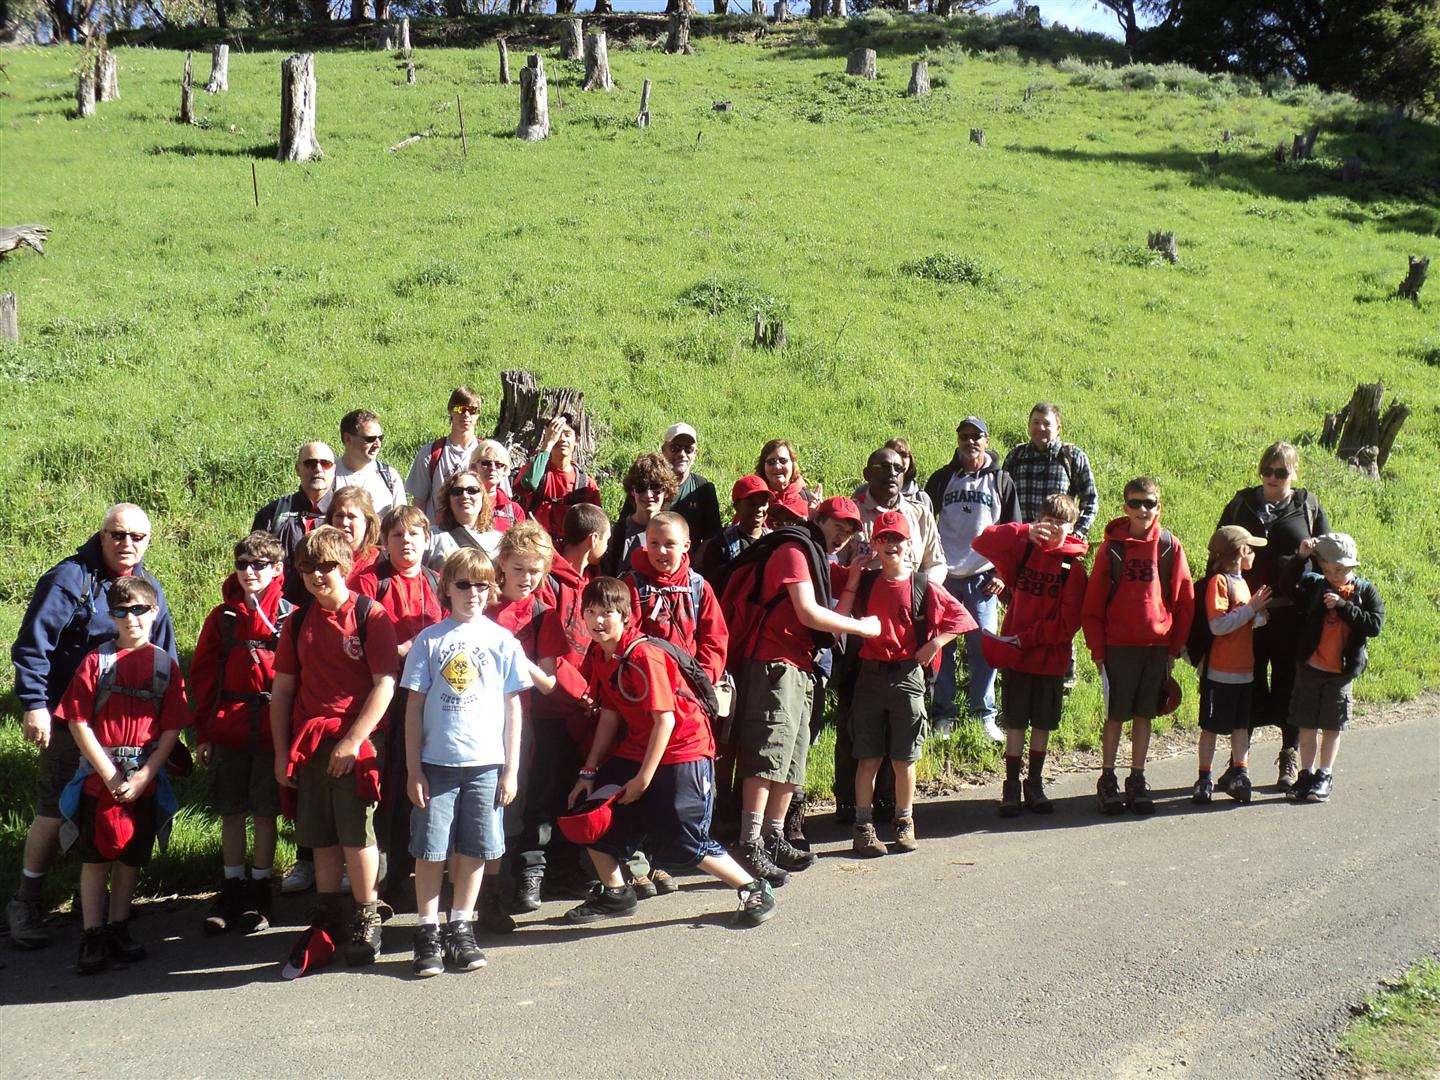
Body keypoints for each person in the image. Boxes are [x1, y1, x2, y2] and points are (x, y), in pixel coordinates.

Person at [7, 503, 177, 951]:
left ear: (148, 541)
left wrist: (165, 731)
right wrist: (35, 705)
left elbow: (167, 657)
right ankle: (26, 901)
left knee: (123, 810)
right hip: (71, 724)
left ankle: (99, 911)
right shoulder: (69, 580)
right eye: (117, 534)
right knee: (55, 810)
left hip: (131, 734)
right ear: (101, 536)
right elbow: (33, 645)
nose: (127, 543)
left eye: (137, 536)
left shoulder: (149, 589)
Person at [561, 578, 776, 928]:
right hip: (639, 749)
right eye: (591, 612)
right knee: (590, 815)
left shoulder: (644, 655)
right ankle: (615, 894)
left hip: (683, 749)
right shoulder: (601, 654)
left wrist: (643, 780)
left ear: (626, 617)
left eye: (607, 613)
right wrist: (589, 771)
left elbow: (666, 720)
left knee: (684, 840)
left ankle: (753, 887)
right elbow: (611, 714)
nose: (598, 620)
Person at [721, 495, 881, 886]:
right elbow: (810, 612)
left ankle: (773, 838)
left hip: (800, 666)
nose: (841, 537)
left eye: (849, 532)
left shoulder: (819, 561)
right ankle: (749, 843)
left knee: (791, 759)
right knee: (767, 754)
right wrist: (864, 627)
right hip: (772, 665)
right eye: (837, 527)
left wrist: (853, 578)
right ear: (818, 519)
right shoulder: (793, 551)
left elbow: (830, 630)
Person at [270, 526, 399, 968]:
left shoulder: (370, 615)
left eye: (326, 565)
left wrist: (353, 741)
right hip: (310, 744)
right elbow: (282, 690)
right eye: (308, 567)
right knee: (320, 834)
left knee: (357, 834)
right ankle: (327, 914)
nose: (317, 575)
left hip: (357, 743)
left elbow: (385, 684)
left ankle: (367, 915)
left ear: (345, 566)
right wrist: (281, 752)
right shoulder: (296, 622)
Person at [401, 549, 530, 976]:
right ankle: (427, 930)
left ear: (491, 589)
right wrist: (414, 769)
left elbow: (513, 709)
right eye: (462, 584)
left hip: (486, 764)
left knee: (476, 848)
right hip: (436, 764)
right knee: (431, 850)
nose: (472, 593)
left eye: (481, 585)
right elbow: (413, 708)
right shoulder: (429, 640)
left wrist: (510, 769)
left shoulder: (502, 641)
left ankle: (461, 926)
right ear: (446, 588)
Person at [53, 577, 189, 975]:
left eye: (139, 610)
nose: (131, 619)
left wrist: (147, 774)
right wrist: (109, 773)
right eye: (121, 611)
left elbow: (172, 727)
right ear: (110, 616)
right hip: (99, 778)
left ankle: (119, 926)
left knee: (131, 859)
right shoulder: (96, 662)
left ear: (155, 612)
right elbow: (77, 721)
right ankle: (92, 933)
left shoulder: (165, 665)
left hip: (144, 779)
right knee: (95, 859)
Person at [835, 511, 972, 857]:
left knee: (904, 759)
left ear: (909, 544)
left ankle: (904, 821)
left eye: (897, 538)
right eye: (884, 538)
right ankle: (863, 827)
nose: (891, 544)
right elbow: (840, 611)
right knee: (868, 757)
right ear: (874, 544)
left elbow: (962, 618)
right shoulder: (867, 582)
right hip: (870, 676)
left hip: (908, 677)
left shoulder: (923, 585)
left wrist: (935, 643)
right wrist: (854, 575)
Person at [191, 531, 294, 936]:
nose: (249, 572)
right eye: (242, 564)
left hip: (272, 731)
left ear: (277, 568)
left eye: (259, 565)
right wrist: (204, 732)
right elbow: (203, 677)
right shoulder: (224, 617)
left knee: (266, 813)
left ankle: (260, 890)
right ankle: (231, 888)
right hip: (229, 728)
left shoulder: (289, 616)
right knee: (231, 812)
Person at [1217, 441, 1330, 790]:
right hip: (1247, 612)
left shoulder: (1307, 506)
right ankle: (1239, 762)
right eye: (1267, 470)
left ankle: (1289, 756)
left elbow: (1327, 559)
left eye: (1280, 472)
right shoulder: (1241, 503)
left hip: (1292, 615)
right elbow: (1219, 547)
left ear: (1294, 473)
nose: (1272, 477)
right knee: (1247, 685)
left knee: (1289, 685)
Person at [514, 505, 610, 911]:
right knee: (541, 793)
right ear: (593, 540)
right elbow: (549, 651)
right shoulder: (548, 582)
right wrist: (582, 691)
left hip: (579, 711)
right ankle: (530, 873)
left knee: (570, 792)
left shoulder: (587, 582)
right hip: (548, 706)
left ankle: (564, 868)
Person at [1081, 477, 1195, 815]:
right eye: (1135, 503)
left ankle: (1137, 778)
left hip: (1157, 646)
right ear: (1125, 507)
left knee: (1145, 714)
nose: (1142, 509)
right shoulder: (1112, 549)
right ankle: (1107, 779)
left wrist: (1173, 650)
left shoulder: (1169, 546)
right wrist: (1097, 652)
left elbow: (1184, 602)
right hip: (1118, 646)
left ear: (1159, 507)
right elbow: (1092, 606)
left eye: (1149, 503)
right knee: (1115, 715)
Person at [971, 494, 1089, 817]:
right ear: (1038, 520)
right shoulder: (1023, 550)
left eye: (1061, 523)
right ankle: (1011, 785)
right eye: (1047, 521)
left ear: (1072, 527)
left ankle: (1034, 783)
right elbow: (982, 542)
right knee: (1015, 722)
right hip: (1017, 658)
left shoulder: (1073, 568)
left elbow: (1067, 623)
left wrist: (1026, 639)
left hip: (1049, 660)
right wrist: (1023, 530)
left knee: (1042, 723)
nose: (1053, 528)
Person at [355, 506, 446, 908]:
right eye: (397, 535)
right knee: (387, 787)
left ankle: (414, 873)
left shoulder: (438, 581)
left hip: (430, 698)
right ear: (384, 542)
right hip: (385, 696)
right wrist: (399, 650)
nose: (406, 542)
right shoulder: (370, 582)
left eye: (414, 535)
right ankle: (381, 882)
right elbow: (355, 642)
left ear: (427, 540)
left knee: (422, 781)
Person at [925, 416, 1022, 740]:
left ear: (986, 441)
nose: (970, 442)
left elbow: (1014, 533)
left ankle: (984, 715)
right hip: (945, 575)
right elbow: (924, 523)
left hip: (983, 577)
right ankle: (943, 715)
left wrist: (1002, 574)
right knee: (945, 648)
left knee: (984, 647)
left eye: (976, 436)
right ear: (958, 441)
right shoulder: (943, 478)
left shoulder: (1001, 480)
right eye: (964, 436)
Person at [1282, 534, 1384, 803]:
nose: (1333, 576)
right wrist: (1301, 557)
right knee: (1306, 724)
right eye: (1327, 570)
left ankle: (1324, 775)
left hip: (1340, 673)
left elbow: (1374, 625)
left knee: (1331, 725)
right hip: (1310, 667)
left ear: (1351, 566)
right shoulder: (1316, 585)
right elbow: (1287, 586)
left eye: (1339, 570)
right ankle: (1306, 774)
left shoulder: (1365, 591)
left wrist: (1343, 607)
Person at [1192, 526, 1272, 805]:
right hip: (1220, 672)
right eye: (1251, 549)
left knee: (1241, 726)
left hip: (1244, 671)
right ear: (1240, 551)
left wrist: (1260, 615)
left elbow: (1243, 622)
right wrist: (1251, 608)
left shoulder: (1243, 582)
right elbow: (1218, 625)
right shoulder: (1220, 582)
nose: (1254, 555)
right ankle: (1204, 779)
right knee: (1210, 727)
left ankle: (1241, 775)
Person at [845, 445, 947, 582]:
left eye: (898, 468)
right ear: (867, 474)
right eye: (884, 467)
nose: (893, 473)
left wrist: (921, 589)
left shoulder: (920, 514)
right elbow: (835, 561)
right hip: (861, 592)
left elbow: (936, 564)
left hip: (908, 593)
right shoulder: (852, 514)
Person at [1001, 403, 1099, 540]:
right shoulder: (1016, 456)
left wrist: (1076, 533)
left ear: (1058, 428)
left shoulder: (1072, 456)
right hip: (1022, 541)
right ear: (1029, 425)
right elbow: (1002, 499)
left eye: (1047, 424)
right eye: (1036, 422)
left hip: (1058, 543)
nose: (1040, 428)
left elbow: (1090, 500)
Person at [621, 424, 723, 549]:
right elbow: (624, 529)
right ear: (664, 450)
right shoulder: (643, 485)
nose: (682, 454)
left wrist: (695, 559)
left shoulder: (703, 488)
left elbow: (712, 537)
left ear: (696, 452)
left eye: (688, 449)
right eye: (675, 448)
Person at [516, 414, 600, 541]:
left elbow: (596, 526)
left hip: (569, 548)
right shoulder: (534, 470)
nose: (562, 439)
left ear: (577, 440)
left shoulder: (586, 484)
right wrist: (548, 444)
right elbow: (530, 483)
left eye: (567, 434)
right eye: (557, 434)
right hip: (534, 544)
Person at [406, 386, 483, 523]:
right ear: (450, 410)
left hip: (476, 531)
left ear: (478, 415)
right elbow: (419, 502)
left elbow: (497, 497)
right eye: (460, 409)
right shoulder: (430, 453)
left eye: (472, 410)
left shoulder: (487, 455)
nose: (466, 415)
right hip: (439, 532)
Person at [602, 453, 679, 578]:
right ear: (632, 491)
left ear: (666, 492)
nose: (648, 495)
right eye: (641, 487)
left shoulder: (675, 532)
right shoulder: (617, 534)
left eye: (656, 487)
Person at [333, 409, 407, 516]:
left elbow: (401, 520)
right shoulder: (328, 473)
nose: (378, 444)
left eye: (380, 438)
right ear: (348, 439)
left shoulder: (389, 476)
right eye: (370, 439)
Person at [698, 475, 770, 583]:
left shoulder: (774, 540)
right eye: (751, 504)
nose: (759, 509)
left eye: (763, 503)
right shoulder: (721, 544)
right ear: (737, 506)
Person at [426, 469, 501, 571]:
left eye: (472, 490)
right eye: (457, 492)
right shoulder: (431, 536)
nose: (465, 496)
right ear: (448, 499)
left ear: (482, 496)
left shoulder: (498, 540)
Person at [853, 437, 933, 515]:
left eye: (904, 454)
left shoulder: (920, 499)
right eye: (892, 452)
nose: (898, 458)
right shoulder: (863, 491)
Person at [757, 438, 821, 527]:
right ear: (763, 466)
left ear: (793, 464)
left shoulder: (808, 499)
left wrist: (819, 516)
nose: (777, 466)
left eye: (783, 461)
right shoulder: (754, 498)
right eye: (771, 462)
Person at [326, 487, 383, 585]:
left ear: (367, 522)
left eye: (351, 516)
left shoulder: (379, 561)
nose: (344, 522)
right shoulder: (321, 558)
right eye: (339, 515)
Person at [469, 440, 525, 529]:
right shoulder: (464, 501)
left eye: (498, 464)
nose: (492, 468)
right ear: (474, 467)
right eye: (486, 463)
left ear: (504, 469)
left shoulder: (514, 511)